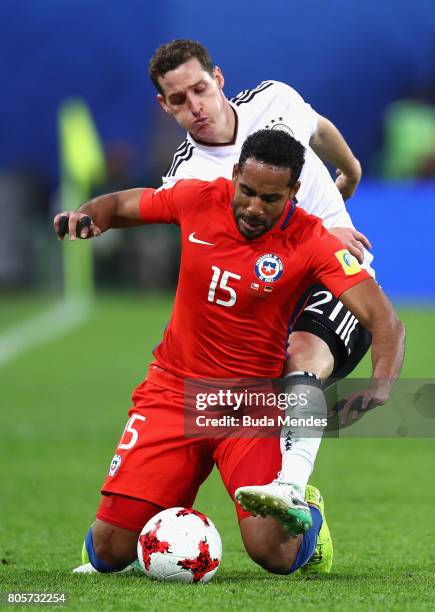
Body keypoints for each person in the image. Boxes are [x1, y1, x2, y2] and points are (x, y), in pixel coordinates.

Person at [54, 130, 405, 577]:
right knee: (108, 552)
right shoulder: (197, 198)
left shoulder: (313, 241)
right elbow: (124, 204)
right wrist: (89, 216)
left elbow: (384, 319)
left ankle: (308, 513)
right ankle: (140, 519)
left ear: (295, 193)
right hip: (173, 394)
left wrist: (382, 382)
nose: (255, 207)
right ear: (235, 174)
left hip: (251, 406)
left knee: (274, 553)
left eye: (271, 198)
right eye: (248, 191)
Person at [147, 39, 374, 533]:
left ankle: (292, 487)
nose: (196, 107)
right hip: (264, 302)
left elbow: (317, 128)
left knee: (302, 354)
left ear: (219, 79)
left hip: (333, 280)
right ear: (164, 107)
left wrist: (351, 171)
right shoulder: (184, 179)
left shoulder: (274, 100)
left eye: (201, 90)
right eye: (179, 100)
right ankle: (152, 512)